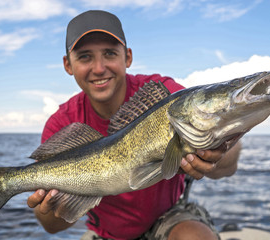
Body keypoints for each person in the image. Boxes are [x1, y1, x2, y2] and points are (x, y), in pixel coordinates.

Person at [27, 10, 241, 240]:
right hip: (107, 234)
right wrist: (51, 206)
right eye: (85, 57)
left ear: (127, 57)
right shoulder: (61, 123)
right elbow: (51, 226)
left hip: (168, 218)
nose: (99, 68)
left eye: (109, 53)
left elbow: (228, 166)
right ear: (68, 65)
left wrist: (218, 153)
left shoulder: (165, 95)